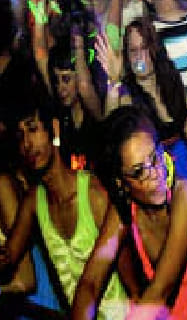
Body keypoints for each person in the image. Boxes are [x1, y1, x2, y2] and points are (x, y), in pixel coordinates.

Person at [73, 106, 187, 319]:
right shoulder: (125, 209)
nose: (155, 173)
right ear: (120, 182)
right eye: (138, 172)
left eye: (155, 158)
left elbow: (160, 291)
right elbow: (91, 282)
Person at [0, 91, 129, 319]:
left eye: (33, 129)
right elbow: (8, 257)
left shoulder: (94, 194)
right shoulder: (34, 201)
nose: (27, 144)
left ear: (55, 129)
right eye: (20, 136)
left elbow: (132, 282)